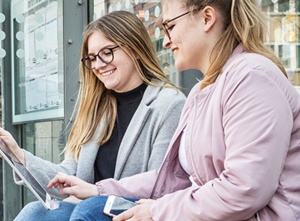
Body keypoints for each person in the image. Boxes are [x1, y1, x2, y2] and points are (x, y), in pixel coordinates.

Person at [47, 0, 300, 220]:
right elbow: (173, 177)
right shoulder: (203, 90)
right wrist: (100, 190)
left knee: (91, 212)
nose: (166, 41)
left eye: (170, 26)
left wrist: (159, 211)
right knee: (45, 212)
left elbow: (245, 189)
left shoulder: (252, 77)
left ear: (207, 18)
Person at [0, 10, 186, 220]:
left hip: (135, 211)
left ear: (135, 49)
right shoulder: (97, 108)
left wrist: (99, 192)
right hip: (86, 210)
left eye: (107, 52)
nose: (98, 65)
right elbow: (68, 178)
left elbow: (161, 185)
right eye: (91, 58)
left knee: (88, 209)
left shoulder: (169, 104)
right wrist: (17, 154)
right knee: (34, 212)